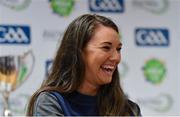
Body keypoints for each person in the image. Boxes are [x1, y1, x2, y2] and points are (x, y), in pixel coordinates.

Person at [26, 14, 141, 116]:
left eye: (118, 49)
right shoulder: (50, 102)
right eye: (106, 47)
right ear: (78, 51)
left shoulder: (129, 110)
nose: (116, 57)